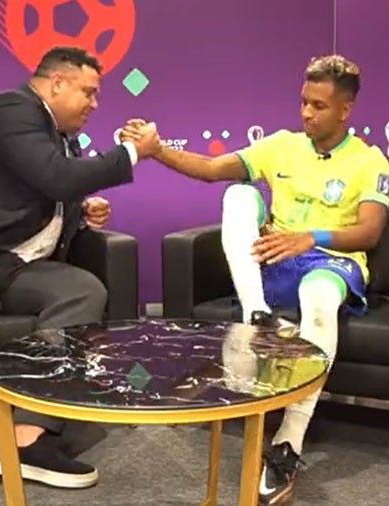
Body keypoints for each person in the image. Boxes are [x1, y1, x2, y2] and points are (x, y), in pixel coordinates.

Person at [121, 54, 388, 506]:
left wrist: (311, 237)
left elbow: (370, 232)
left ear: (345, 110)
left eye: (319, 106)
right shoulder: (282, 145)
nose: (307, 113)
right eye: (303, 102)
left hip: (331, 263)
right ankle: (256, 313)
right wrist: (156, 150)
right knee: (239, 194)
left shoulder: (369, 160)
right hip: (276, 259)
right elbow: (211, 170)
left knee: (319, 295)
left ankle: (287, 444)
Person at [0, 46, 161, 502]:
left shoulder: (58, 132)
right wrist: (131, 153)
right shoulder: (10, 110)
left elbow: (52, 188)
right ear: (57, 83)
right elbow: (56, 176)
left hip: (24, 265)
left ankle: (27, 436)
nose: (95, 104)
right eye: (89, 92)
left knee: (82, 291)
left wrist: (80, 210)